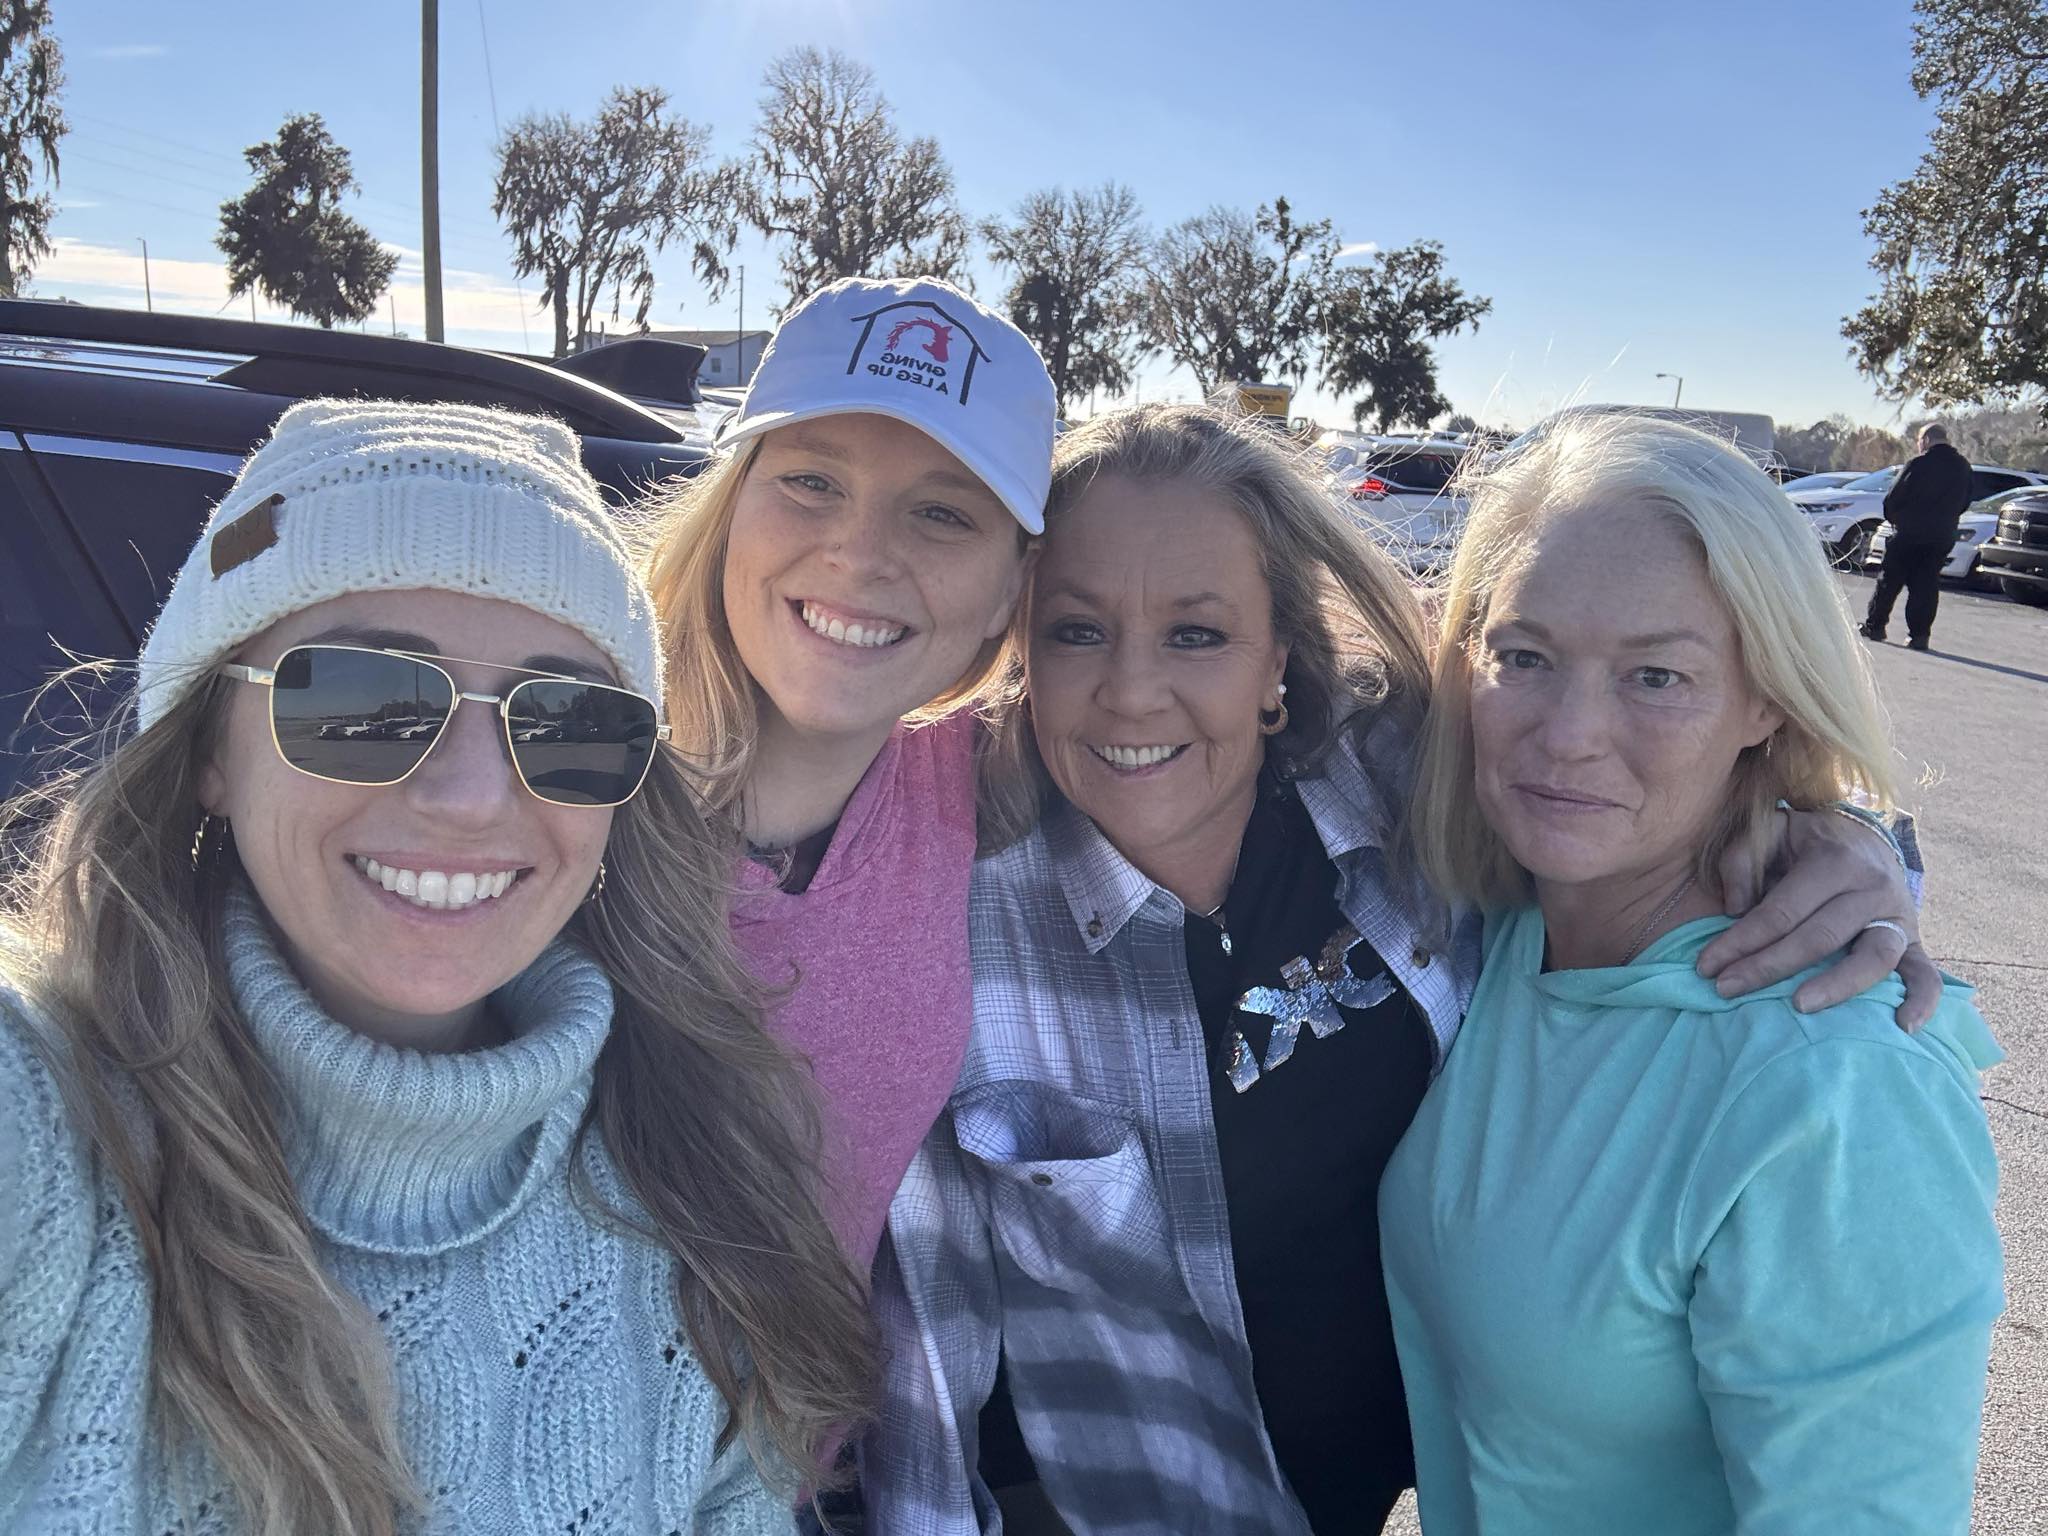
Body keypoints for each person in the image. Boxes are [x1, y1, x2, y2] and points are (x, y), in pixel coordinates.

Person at [864, 404, 1933, 1536]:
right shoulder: (946, 916)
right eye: (1077, 631)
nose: (1132, 691)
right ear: (1021, 651)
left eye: (1197, 635)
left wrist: (1843, 837)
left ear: (1276, 659)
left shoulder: (1392, 794)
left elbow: (1642, 773)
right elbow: (922, 1336)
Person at [0, 401, 873, 1535]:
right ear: (211, 743)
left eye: (567, 721)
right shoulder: (42, 1118)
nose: (468, 796)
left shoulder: (703, 1173)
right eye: (362, 699)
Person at [1386, 412, 2003, 1534]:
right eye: (1523, 656)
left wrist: (1857, 830)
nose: (1568, 734)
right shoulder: (1499, 933)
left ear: (1766, 697)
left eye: (1657, 676)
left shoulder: (1835, 1089)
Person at [642, 275, 1056, 1272]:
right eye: (812, 483)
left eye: (942, 514)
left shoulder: (980, 773)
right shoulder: (566, 785)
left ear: (1010, 586)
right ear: (732, 502)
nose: (860, 555)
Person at [1861, 422, 1973, 650]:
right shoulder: (1963, 467)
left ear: (1927, 440)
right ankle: (1919, 636)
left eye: (1919, 440)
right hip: (1941, 535)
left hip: (1910, 533)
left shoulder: (1918, 464)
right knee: (1926, 584)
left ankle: (1876, 626)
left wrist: (1897, 519)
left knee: (1889, 581)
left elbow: (1893, 498)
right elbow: (1965, 501)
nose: (1919, 445)